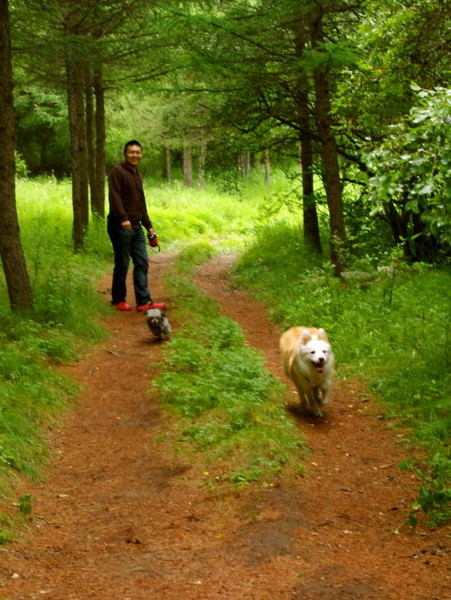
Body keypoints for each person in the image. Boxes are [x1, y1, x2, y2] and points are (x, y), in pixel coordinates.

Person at [107, 140, 165, 311]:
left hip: (137, 227)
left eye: (138, 152)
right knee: (123, 263)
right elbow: (114, 197)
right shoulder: (117, 172)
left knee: (141, 262)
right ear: (125, 154)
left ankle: (143, 301)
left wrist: (149, 225)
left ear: (141, 155)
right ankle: (118, 299)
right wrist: (123, 218)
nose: (135, 155)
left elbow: (141, 202)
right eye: (132, 152)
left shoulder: (137, 174)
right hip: (120, 226)